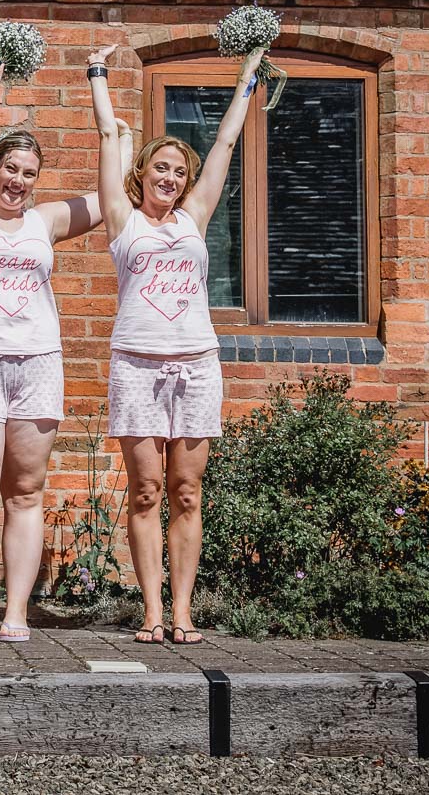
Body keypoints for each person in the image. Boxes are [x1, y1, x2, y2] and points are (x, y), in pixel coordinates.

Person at [0, 51, 128, 644]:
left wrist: (120, 141)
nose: (17, 181)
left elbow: (110, 200)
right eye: (10, 169)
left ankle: (15, 611)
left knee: (25, 491)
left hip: (37, 364)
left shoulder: (45, 221)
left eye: (28, 173)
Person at [90, 43, 269, 646]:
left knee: (187, 491)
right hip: (137, 366)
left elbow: (225, 145)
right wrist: (98, 74)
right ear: (141, 174)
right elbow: (106, 137)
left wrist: (248, 75)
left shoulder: (193, 218)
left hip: (196, 365)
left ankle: (184, 612)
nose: (169, 178)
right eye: (160, 169)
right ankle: (151, 612)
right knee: (145, 491)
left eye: (178, 172)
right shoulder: (123, 220)